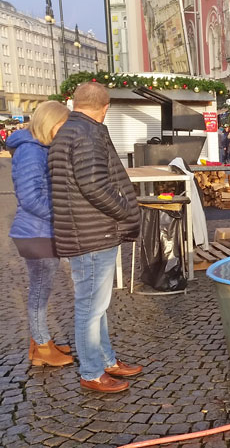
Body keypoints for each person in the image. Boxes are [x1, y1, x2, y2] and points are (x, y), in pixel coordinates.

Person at [48, 82, 142, 393]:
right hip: (91, 233)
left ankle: (105, 359)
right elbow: (93, 185)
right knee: (90, 307)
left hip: (83, 231)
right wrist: (125, 211)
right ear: (105, 108)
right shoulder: (86, 134)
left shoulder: (69, 131)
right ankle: (91, 370)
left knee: (96, 306)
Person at [7, 101, 73, 368]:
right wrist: (64, 216)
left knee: (41, 290)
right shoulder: (32, 152)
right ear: (50, 123)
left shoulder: (37, 149)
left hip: (40, 231)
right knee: (38, 291)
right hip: (37, 232)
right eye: (62, 125)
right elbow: (31, 198)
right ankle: (42, 346)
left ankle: (40, 344)